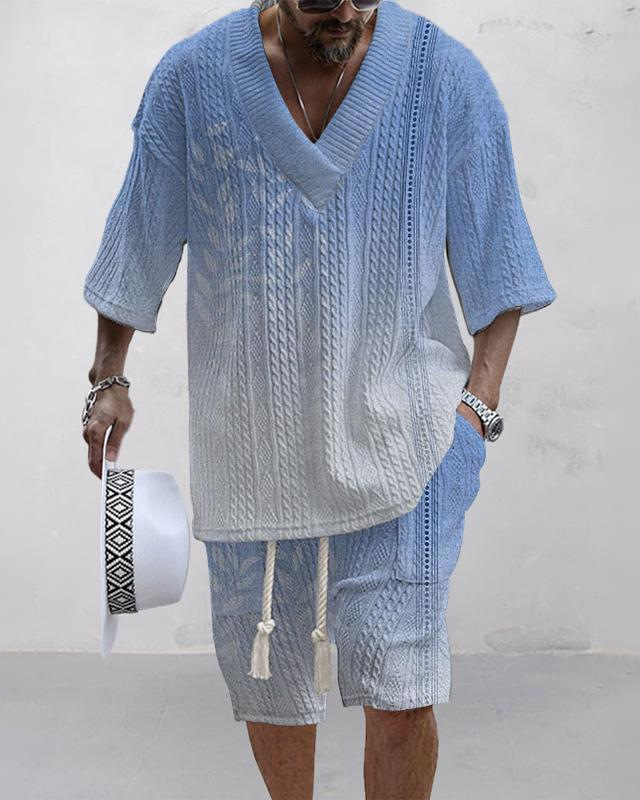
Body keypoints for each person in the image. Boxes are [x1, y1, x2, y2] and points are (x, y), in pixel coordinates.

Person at [81, 0, 557, 796]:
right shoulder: (194, 79)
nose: (340, 10)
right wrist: (108, 378)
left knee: (402, 693)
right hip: (251, 454)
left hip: (406, 452)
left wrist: (477, 411)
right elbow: (137, 238)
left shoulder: (443, 77)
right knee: (269, 686)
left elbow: (500, 257)